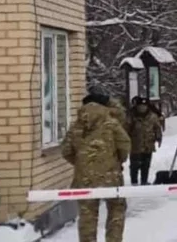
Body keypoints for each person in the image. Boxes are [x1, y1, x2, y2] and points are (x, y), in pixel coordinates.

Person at [61, 92, 130, 242]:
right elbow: (125, 145)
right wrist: (117, 161)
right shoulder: (112, 124)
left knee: (87, 215)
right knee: (116, 209)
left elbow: (65, 150)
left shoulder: (76, 126)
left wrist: (81, 163)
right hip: (111, 177)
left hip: (84, 178)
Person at [127, 96, 163, 185]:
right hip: (135, 145)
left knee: (146, 164)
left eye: (144, 106)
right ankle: (134, 181)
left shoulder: (152, 116)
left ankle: (144, 180)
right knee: (134, 165)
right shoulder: (131, 116)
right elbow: (126, 129)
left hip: (148, 144)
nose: (142, 108)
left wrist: (158, 137)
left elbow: (157, 128)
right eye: (140, 106)